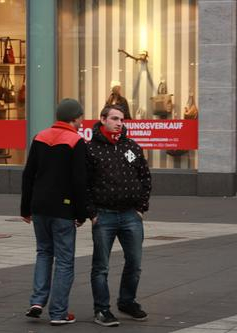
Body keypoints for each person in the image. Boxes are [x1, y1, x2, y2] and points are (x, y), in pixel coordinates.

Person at [21, 98, 87, 326]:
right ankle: (58, 313)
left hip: (39, 207)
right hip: (63, 209)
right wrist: (81, 213)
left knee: (43, 253)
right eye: (81, 117)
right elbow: (80, 181)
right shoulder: (76, 141)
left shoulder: (39, 137)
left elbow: (29, 175)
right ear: (75, 118)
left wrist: (25, 208)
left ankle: (37, 302)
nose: (82, 121)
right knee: (65, 261)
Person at [86, 104, 151, 327]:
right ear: (102, 119)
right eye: (114, 118)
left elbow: (145, 177)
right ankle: (102, 309)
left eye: (121, 120)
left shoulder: (131, 146)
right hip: (103, 215)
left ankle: (127, 301)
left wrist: (141, 208)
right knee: (101, 266)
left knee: (135, 262)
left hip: (131, 215)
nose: (119, 123)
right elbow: (83, 184)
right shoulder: (91, 148)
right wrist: (92, 213)